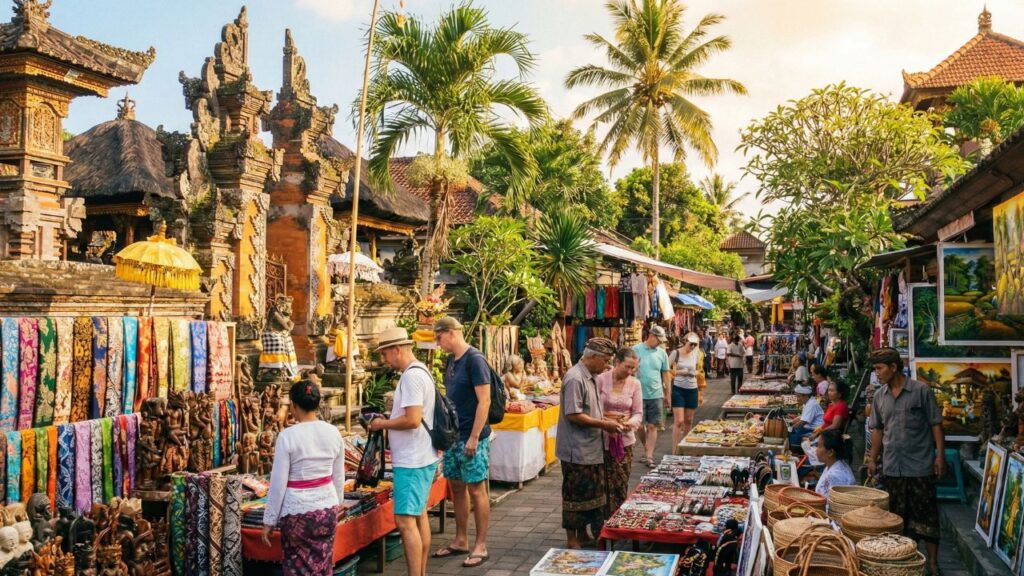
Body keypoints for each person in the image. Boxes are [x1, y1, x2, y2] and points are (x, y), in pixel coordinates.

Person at [367, 327, 439, 576]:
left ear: (397, 349)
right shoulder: (420, 371)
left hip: (412, 459)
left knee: (405, 521)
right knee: (418, 515)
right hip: (421, 455)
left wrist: (382, 424)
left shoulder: (410, 377)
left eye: (385, 353)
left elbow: (412, 420)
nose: (383, 359)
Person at [867, 347, 944, 576]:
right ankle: (904, 561)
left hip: (920, 465)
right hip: (893, 466)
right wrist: (872, 459)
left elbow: (936, 424)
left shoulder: (921, 391)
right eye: (875, 369)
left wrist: (940, 455)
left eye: (879, 368)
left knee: (927, 515)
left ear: (893, 367)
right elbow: (877, 430)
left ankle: (933, 563)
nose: (877, 373)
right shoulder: (880, 397)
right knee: (898, 517)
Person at [261, 380, 345, 576]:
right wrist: (337, 503)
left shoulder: (287, 436)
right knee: (323, 565)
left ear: (293, 405)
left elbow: (278, 484)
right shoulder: (333, 432)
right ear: (317, 404)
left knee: (297, 568)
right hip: (327, 509)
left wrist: (269, 520)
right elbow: (338, 476)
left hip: (296, 513)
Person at [432, 316, 492, 568]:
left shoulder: (475, 359)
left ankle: (481, 544)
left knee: (476, 488)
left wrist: (474, 437)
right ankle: (460, 539)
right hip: (455, 435)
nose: (438, 343)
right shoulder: (451, 361)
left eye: (439, 337)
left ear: (452, 333)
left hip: (472, 435)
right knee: (456, 487)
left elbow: (485, 400)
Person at [556, 337, 625, 549]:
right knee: (575, 494)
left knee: (591, 494)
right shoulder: (575, 378)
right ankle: (572, 539)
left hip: (591, 446)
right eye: (605, 360)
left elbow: (591, 410)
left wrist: (608, 420)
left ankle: (583, 534)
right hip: (576, 449)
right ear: (593, 357)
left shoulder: (591, 377)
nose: (607, 365)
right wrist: (604, 424)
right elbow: (573, 415)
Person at [597, 347, 643, 517]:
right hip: (601, 437)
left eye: (633, 368)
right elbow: (593, 408)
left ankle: (617, 518)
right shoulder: (600, 380)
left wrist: (627, 424)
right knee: (602, 482)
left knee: (620, 482)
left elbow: (638, 413)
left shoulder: (635, 384)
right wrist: (606, 422)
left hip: (625, 439)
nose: (630, 371)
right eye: (627, 367)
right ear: (617, 362)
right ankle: (602, 520)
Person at [632, 326, 671, 466]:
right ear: (651, 336)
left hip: (656, 393)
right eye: (658, 339)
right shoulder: (636, 349)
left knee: (653, 426)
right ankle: (646, 447)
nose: (660, 342)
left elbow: (666, 374)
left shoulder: (662, 353)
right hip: (638, 393)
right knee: (639, 426)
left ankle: (649, 456)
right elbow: (630, 370)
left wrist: (668, 394)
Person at [669, 333, 703, 449]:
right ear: (685, 341)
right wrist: (679, 372)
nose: (693, 346)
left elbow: (699, 370)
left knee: (689, 420)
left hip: (692, 389)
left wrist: (695, 373)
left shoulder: (697, 353)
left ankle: (686, 448)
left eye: (695, 344)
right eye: (691, 344)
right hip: (678, 389)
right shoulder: (676, 353)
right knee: (679, 421)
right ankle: (675, 449)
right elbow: (666, 370)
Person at [814, 429, 856, 498]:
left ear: (830, 452)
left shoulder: (834, 476)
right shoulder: (833, 464)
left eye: (819, 446)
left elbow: (829, 503)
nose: (816, 449)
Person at [789, 384, 824, 449]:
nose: (797, 399)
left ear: (805, 396)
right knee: (793, 430)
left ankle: (795, 450)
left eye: (798, 396)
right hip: (809, 428)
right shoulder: (807, 402)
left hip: (814, 430)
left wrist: (790, 428)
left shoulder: (811, 405)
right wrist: (791, 422)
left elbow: (802, 422)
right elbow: (802, 417)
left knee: (793, 434)